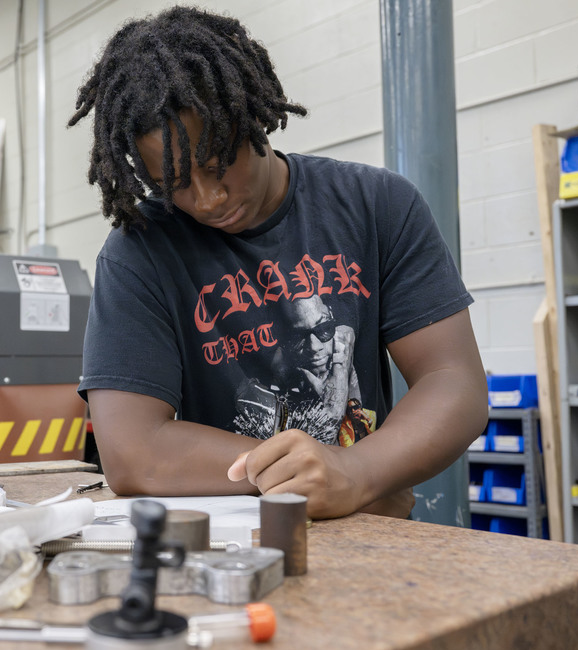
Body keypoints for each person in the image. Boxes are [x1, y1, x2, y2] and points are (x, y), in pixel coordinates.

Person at [68, 5, 488, 519]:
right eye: (174, 183)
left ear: (252, 121)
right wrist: (316, 475)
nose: (207, 199)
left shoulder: (376, 204)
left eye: (218, 164)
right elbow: (133, 453)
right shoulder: (140, 251)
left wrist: (359, 474)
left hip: (369, 536)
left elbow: (454, 382)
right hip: (233, 544)